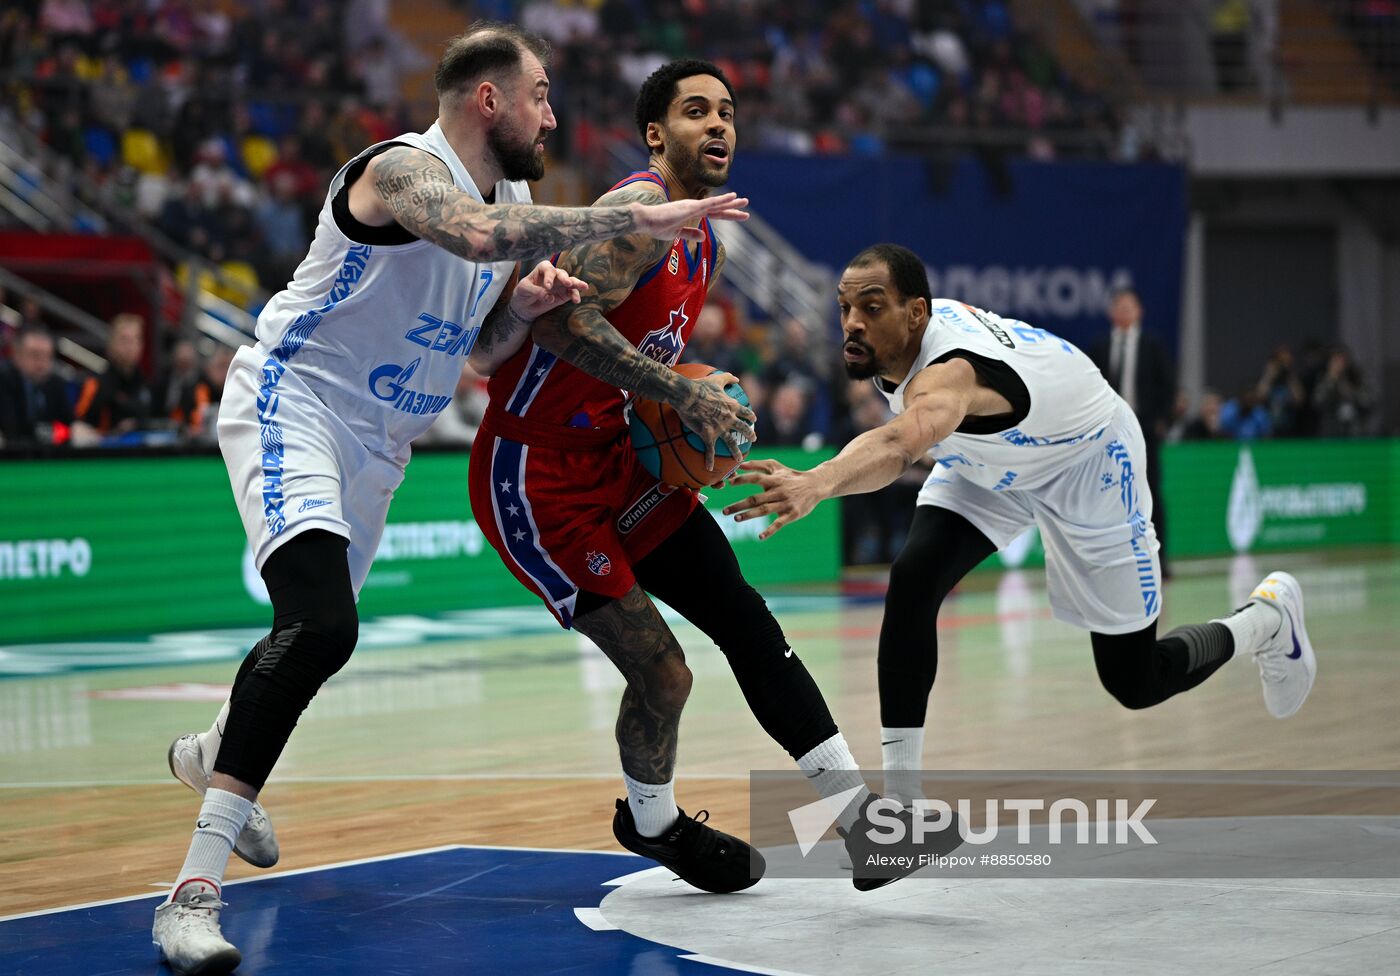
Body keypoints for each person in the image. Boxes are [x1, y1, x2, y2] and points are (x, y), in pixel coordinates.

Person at [152, 23, 753, 976]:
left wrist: (522, 309)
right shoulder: (399, 171)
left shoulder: (513, 192)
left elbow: (478, 351)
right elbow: (474, 233)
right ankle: (191, 891)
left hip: (383, 443)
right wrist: (623, 221)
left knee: (311, 637)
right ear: (489, 100)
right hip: (295, 402)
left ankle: (216, 751)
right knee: (321, 630)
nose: (552, 113)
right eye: (541, 95)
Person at [468, 59, 951, 901]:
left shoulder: (705, 245)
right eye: (697, 112)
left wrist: (696, 401)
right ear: (657, 134)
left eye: (727, 112)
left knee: (748, 623)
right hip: (536, 477)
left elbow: (646, 354)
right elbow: (558, 331)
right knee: (665, 674)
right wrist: (675, 390)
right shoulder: (629, 216)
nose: (719, 126)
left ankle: (861, 827)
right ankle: (651, 824)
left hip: (618, 458)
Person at [725, 244, 1317, 807]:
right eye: (845, 307)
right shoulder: (896, 345)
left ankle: (1266, 619)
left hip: (1088, 462)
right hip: (990, 464)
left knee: (1134, 681)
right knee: (913, 578)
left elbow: (901, 442)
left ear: (916, 314)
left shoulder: (950, 374)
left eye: (871, 307)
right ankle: (904, 808)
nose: (852, 322)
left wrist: (819, 481)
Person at [1087, 287, 1175, 575]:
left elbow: (1168, 387)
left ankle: (1159, 559)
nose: (1124, 311)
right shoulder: (1100, 346)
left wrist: (1160, 420)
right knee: (1105, 491)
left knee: (1150, 490)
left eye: (1129, 306)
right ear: (1112, 312)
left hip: (1145, 430)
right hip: (1108, 432)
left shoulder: (1152, 345)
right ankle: (1110, 561)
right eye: (1119, 306)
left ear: (1139, 312)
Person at [74, 312, 152, 436]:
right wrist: (113, 433)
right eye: (124, 339)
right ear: (111, 344)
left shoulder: (147, 384)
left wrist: (137, 425)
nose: (129, 346)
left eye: (134, 339)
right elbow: (78, 426)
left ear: (141, 345)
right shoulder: (95, 384)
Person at [0, 326, 73, 447]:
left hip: (50, 459)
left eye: (47, 356)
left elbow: (69, 426)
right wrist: (56, 433)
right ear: (17, 355)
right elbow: (11, 431)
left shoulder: (56, 383)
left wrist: (62, 433)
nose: (41, 363)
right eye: (34, 355)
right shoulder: (4, 381)